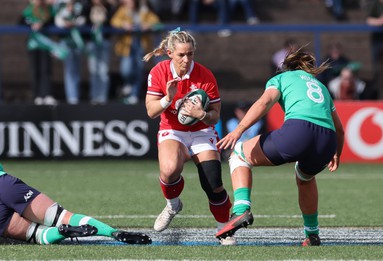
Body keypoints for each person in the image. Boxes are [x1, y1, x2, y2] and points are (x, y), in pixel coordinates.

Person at [215, 47, 345, 246]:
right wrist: (336, 152)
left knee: (239, 154)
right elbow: (340, 129)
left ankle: (240, 211)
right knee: (305, 178)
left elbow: (265, 101)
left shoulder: (282, 78)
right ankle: (312, 234)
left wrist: (238, 130)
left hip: (298, 130)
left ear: (286, 68)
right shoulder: (322, 87)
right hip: (327, 140)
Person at [143, 28, 235, 245]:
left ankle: (224, 228)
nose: (186, 59)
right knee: (169, 169)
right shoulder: (159, 72)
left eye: (190, 54)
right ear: (169, 53)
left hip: (201, 130)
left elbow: (214, 117)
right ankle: (173, 204)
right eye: (181, 55)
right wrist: (168, 98)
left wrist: (201, 114)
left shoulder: (205, 74)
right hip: (172, 129)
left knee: (213, 183)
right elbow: (151, 111)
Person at [0, 164, 151, 245]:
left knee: (36, 235)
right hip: (4, 184)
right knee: (62, 216)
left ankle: (61, 232)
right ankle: (112, 232)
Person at [111, 0, 162, 105]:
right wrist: (123, 25)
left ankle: (134, 94)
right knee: (126, 69)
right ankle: (128, 85)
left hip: (141, 45)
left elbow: (157, 22)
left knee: (139, 70)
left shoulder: (144, 11)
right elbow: (114, 21)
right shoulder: (123, 10)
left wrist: (147, 25)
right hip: (128, 45)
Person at [20, 0, 61, 106]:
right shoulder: (28, 11)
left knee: (46, 69)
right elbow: (21, 21)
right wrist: (31, 24)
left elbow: (53, 20)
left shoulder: (47, 10)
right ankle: (37, 95)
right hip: (33, 45)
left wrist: (43, 24)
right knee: (35, 70)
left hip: (45, 45)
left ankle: (46, 94)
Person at [55, 0, 88, 104]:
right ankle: (72, 98)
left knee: (77, 70)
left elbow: (83, 19)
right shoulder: (60, 5)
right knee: (69, 70)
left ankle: (76, 96)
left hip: (77, 41)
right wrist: (65, 23)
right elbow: (57, 20)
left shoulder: (81, 5)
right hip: (66, 41)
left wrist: (74, 23)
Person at [84, 0, 115, 105]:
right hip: (91, 42)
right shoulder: (87, 6)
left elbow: (112, 21)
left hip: (104, 42)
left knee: (103, 70)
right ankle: (94, 97)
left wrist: (108, 6)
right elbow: (84, 21)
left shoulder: (109, 7)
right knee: (93, 70)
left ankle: (102, 98)